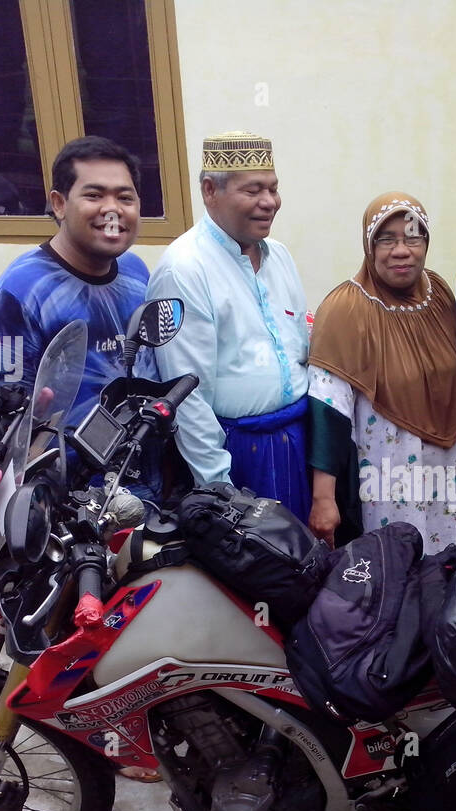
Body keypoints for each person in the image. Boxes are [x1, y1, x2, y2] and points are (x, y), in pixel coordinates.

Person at [0, 136, 160, 495]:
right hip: (67, 503)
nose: (112, 210)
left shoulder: (135, 273)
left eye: (125, 197)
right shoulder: (19, 293)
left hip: (142, 481)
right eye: (94, 196)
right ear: (59, 204)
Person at [146, 131, 311, 521]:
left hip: (297, 442)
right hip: (238, 457)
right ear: (209, 190)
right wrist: (222, 493)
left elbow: (301, 347)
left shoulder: (279, 257)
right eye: (253, 190)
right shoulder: (184, 269)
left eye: (273, 188)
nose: (269, 202)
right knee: (255, 568)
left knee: (304, 562)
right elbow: (187, 398)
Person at [307, 193, 456, 550]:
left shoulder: (439, 294)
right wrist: (324, 499)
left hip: (449, 470)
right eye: (387, 239)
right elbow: (327, 411)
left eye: (414, 237)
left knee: (449, 567)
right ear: (369, 244)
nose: (402, 250)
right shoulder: (345, 310)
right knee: (395, 569)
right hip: (386, 478)